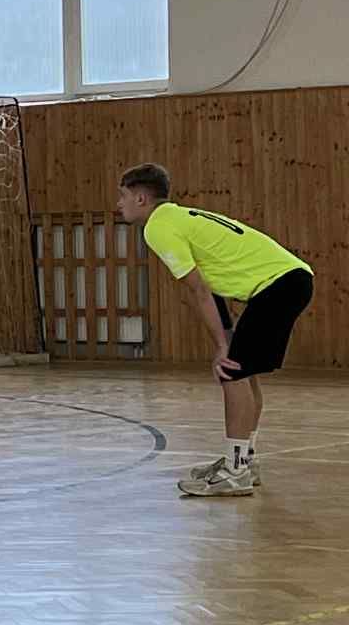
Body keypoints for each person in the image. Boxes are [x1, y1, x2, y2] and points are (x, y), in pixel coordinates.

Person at [117, 163, 314, 497]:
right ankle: (244, 462)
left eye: (122, 196)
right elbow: (210, 286)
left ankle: (236, 472)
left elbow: (198, 290)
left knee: (232, 372)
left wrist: (222, 347)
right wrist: (226, 337)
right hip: (289, 281)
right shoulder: (177, 217)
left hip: (278, 286)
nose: (118, 204)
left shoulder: (158, 227)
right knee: (243, 373)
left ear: (140, 198)